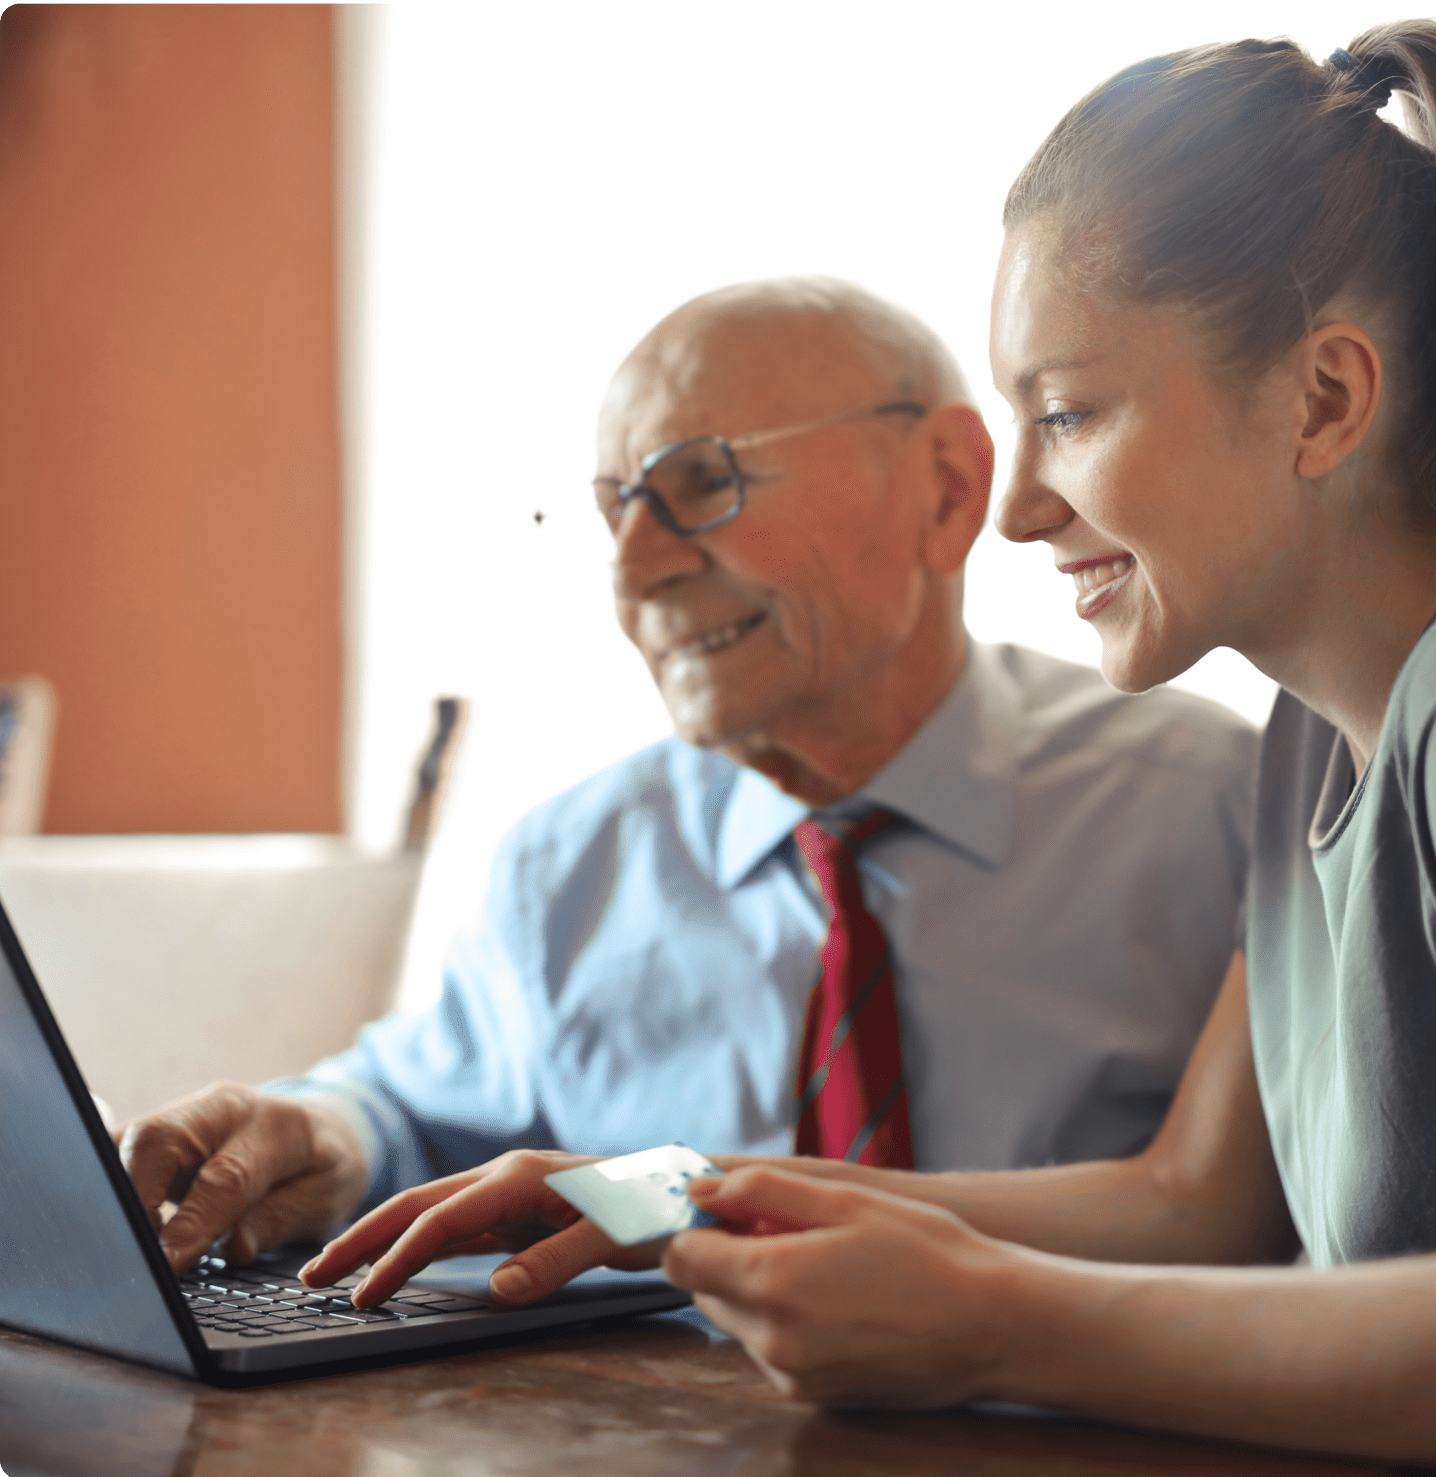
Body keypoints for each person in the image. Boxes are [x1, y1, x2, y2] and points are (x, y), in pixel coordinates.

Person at [304, 21, 1436, 1477]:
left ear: (1323, 401)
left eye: (1070, 413)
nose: (1023, 505)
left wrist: (990, 1320)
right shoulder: (1317, 745)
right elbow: (1193, 1203)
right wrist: (666, 1195)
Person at [117, 279, 1261, 1282]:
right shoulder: (569, 862)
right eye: (617, 507)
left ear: (948, 487)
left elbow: (1263, 1221)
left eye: (700, 482)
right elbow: (417, 1106)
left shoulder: (1216, 810)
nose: (635, 571)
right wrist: (323, 1131)